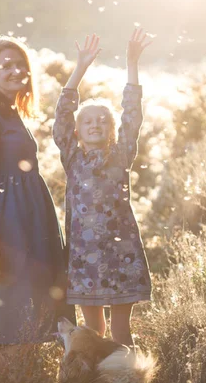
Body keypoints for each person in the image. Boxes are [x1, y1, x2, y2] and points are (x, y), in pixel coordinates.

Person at [0, 35, 72, 348]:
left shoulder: (13, 111)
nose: (16, 71)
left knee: (37, 316)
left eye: (21, 65)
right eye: (6, 65)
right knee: (10, 326)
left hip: (32, 221)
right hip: (8, 227)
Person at [52, 28, 152, 346]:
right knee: (92, 334)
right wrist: (80, 68)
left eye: (103, 120)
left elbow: (132, 118)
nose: (95, 123)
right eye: (88, 121)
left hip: (122, 256)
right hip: (84, 259)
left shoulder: (120, 156)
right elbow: (61, 117)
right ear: (78, 132)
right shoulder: (72, 157)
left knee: (122, 332)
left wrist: (131, 64)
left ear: (111, 131)